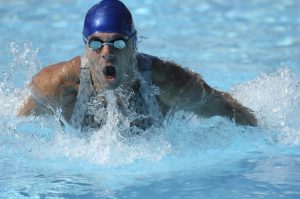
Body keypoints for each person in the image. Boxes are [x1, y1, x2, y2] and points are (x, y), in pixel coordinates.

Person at [18, 0, 257, 132]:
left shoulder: (170, 82)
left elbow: (224, 107)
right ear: (85, 46)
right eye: (97, 43)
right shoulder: (56, 85)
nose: (107, 53)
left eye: (118, 43)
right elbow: (20, 127)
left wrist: (266, 137)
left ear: (134, 45)